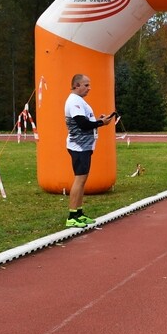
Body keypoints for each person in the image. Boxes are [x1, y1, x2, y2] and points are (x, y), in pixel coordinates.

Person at [64, 74, 117, 228]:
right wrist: (101, 123)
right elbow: (82, 124)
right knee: (79, 180)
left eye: (89, 85)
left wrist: (98, 120)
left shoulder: (79, 100)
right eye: (86, 85)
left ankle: (78, 213)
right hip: (79, 146)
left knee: (82, 180)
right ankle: (72, 215)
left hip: (85, 146)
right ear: (76, 85)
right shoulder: (74, 101)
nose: (89, 88)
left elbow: (87, 121)